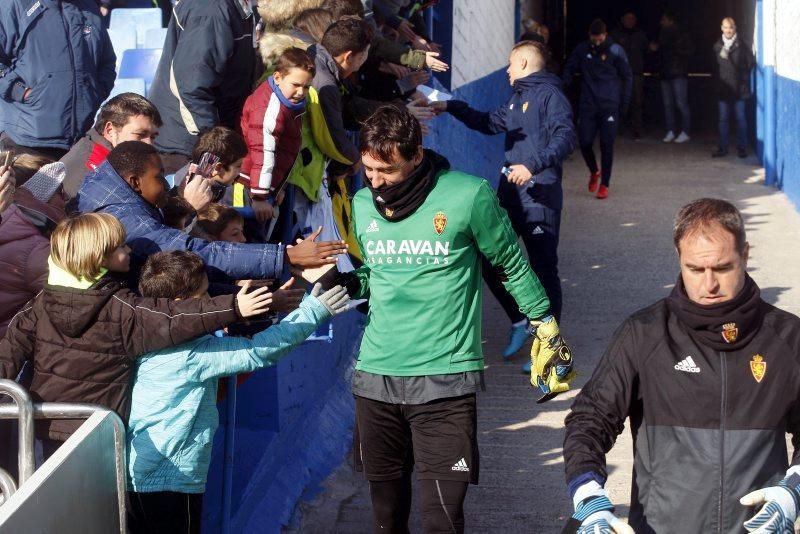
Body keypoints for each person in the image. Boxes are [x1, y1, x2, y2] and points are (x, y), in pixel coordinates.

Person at [327, 106, 574, 533]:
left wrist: (543, 322)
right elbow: (374, 276)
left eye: (386, 170)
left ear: (416, 156)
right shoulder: (363, 204)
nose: (374, 180)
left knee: (442, 520)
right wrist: (339, 283)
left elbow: (510, 263)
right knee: (386, 522)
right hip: (375, 380)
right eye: (367, 168)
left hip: (445, 381)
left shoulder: (468, 195)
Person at [562, 198, 800, 533]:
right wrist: (588, 499)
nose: (709, 284)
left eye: (722, 268)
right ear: (679, 259)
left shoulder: (788, 338)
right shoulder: (644, 334)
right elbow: (588, 421)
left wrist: (793, 490)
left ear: (745, 255)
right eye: (695, 269)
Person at [0, 212, 274, 446]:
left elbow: (8, 356)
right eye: (120, 247)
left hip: (45, 422)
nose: (128, 250)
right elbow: (173, 317)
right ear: (100, 258)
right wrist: (233, 307)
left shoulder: (38, 305)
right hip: (99, 427)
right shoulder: (122, 308)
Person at [126, 250, 350, 533]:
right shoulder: (192, 352)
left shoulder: (144, 331)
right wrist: (314, 311)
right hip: (171, 480)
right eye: (205, 296)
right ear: (182, 304)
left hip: (143, 473)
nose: (211, 302)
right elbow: (258, 352)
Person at [434, 40, 576, 364]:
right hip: (510, 197)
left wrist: (533, 166)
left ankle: (551, 349)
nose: (507, 71)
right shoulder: (517, 99)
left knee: (543, 270)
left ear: (524, 64)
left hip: (540, 198)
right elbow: (486, 123)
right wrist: (449, 105)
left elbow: (566, 138)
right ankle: (520, 320)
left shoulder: (551, 96)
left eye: (510, 65)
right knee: (489, 258)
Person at [76, 141, 347, 282]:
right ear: (135, 182)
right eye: (159, 178)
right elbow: (196, 252)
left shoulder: (108, 188)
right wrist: (286, 256)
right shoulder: (121, 218)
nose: (165, 185)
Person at [149, 0, 259, 172]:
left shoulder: (236, 7)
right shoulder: (211, 9)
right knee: (196, 196)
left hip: (208, 137)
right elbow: (192, 87)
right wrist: (216, 142)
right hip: (188, 144)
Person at [0, 0, 116, 159]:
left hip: (79, 142)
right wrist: (21, 91)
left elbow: (106, 61)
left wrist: (96, 91)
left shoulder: (89, 7)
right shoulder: (13, 5)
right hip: (27, 142)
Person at [240, 47, 316, 226]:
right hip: (249, 184)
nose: (301, 92)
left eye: (306, 87)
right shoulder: (270, 109)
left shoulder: (289, 102)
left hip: (265, 184)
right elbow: (262, 151)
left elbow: (284, 148)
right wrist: (259, 196)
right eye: (295, 85)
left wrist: (277, 187)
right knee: (250, 235)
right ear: (277, 77)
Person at [563, 19, 632, 199]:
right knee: (584, 142)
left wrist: (624, 102)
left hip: (609, 106)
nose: (598, 40)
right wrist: (560, 88)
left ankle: (605, 184)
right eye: (595, 37)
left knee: (607, 145)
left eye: (601, 36)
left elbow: (627, 76)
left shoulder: (615, 50)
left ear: (605, 34)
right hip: (588, 105)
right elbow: (569, 70)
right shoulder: (582, 49)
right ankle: (594, 171)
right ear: (590, 35)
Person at [0, 160, 65, 339]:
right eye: (60, 190)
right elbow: (73, 302)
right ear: (41, 193)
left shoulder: (8, 220)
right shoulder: (38, 248)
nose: (66, 197)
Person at [61, 93, 162, 198]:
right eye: (140, 134)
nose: (149, 144)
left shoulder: (110, 159)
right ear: (110, 131)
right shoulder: (91, 171)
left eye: (153, 137)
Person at [308, 17, 374, 178]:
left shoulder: (313, 54)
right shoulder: (326, 86)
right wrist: (355, 159)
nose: (365, 59)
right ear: (349, 57)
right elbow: (334, 138)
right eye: (364, 54)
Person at [712, 17, 755, 159]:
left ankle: (742, 148)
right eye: (726, 27)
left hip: (739, 90)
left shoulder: (742, 45)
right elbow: (713, 67)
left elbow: (750, 63)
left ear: (735, 28)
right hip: (723, 89)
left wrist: (741, 79)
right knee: (723, 119)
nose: (728, 30)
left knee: (741, 119)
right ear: (721, 28)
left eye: (731, 27)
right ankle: (723, 148)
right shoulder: (717, 46)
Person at [652, 11, 693, 144]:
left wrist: (673, 49)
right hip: (665, 73)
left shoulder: (682, 34)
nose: (661, 22)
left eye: (664, 20)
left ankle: (686, 131)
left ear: (671, 21)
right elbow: (662, 55)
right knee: (668, 105)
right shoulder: (662, 35)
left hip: (678, 73)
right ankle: (671, 130)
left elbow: (689, 52)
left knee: (681, 104)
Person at [611, 12, 648, 139]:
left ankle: (636, 130)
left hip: (636, 73)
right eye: (627, 18)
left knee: (637, 103)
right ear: (622, 19)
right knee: (618, 101)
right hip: (619, 74)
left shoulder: (640, 35)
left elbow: (647, 51)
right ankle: (618, 128)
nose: (630, 21)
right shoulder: (615, 34)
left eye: (632, 18)